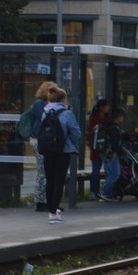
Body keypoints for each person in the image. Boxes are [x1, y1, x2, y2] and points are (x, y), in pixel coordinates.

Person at [38, 84, 82, 224]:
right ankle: (53, 213)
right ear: (63, 99)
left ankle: (52, 209)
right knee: (59, 181)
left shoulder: (44, 112)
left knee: (50, 180)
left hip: (47, 149)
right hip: (63, 150)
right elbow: (76, 133)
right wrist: (70, 141)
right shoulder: (67, 113)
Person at [27, 81, 54, 211]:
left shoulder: (43, 105)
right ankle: (40, 201)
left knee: (46, 170)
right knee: (42, 171)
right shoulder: (39, 105)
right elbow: (47, 118)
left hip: (42, 140)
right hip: (38, 140)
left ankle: (45, 199)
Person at [98, 107, 126, 202]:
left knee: (109, 174)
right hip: (112, 154)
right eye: (122, 117)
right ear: (118, 117)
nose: (123, 119)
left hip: (105, 154)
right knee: (115, 174)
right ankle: (103, 191)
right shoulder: (114, 128)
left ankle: (108, 195)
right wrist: (121, 153)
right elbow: (115, 144)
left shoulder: (108, 126)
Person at [85, 98, 109, 200]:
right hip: (97, 148)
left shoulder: (108, 116)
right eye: (107, 106)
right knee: (95, 171)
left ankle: (104, 191)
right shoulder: (94, 118)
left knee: (109, 171)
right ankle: (93, 192)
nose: (108, 108)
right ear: (101, 107)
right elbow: (91, 133)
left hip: (107, 148)